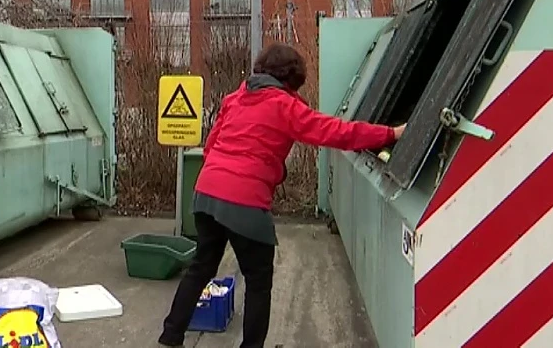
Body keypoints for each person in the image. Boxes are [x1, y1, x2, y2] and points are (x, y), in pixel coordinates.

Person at [157, 43, 406, 348]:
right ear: (292, 79)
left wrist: (266, 170)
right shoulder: (285, 106)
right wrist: (390, 134)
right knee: (259, 283)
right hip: (244, 201)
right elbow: (335, 132)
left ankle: (171, 337)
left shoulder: (234, 99)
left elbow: (211, 148)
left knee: (201, 267)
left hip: (206, 193)